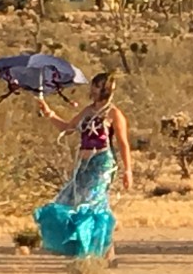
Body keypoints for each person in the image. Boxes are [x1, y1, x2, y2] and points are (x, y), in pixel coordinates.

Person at [35, 72, 132, 260]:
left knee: (90, 205)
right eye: (93, 86)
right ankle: (104, 253)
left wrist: (128, 170)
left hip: (102, 163)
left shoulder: (114, 114)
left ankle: (89, 254)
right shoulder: (87, 111)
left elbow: (123, 143)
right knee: (69, 202)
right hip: (83, 165)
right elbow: (67, 128)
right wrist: (49, 113)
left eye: (97, 87)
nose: (93, 90)